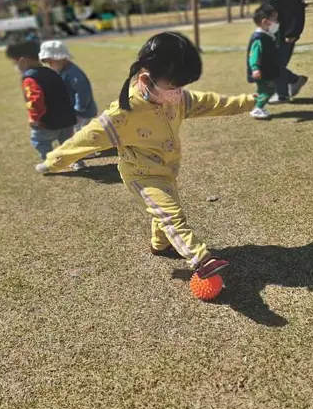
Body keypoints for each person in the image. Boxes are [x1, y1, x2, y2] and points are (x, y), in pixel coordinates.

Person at [35, 32, 256, 280]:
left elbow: (212, 103)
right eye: (173, 87)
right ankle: (201, 259)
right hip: (141, 175)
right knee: (172, 214)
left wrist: (249, 102)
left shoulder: (176, 99)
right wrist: (52, 162)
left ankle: (159, 245)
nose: (178, 93)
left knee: (164, 211)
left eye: (181, 87)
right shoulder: (124, 113)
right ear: (145, 78)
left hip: (168, 169)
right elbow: (85, 139)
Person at [5, 41, 77, 160]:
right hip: (67, 119)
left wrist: (34, 117)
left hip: (48, 122)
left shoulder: (30, 78)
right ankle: (77, 162)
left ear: (23, 61)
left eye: (14, 63)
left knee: (40, 141)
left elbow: (35, 99)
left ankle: (48, 163)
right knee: (68, 143)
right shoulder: (52, 72)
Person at [39, 40, 99, 170]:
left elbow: (83, 93)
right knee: (82, 131)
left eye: (50, 61)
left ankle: (81, 154)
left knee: (79, 133)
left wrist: (78, 110)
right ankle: (89, 150)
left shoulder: (73, 73)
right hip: (74, 110)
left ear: (60, 58)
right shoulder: (62, 70)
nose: (49, 65)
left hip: (81, 111)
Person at [267, 0, 308, 103]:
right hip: (273, 30)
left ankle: (282, 94)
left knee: (275, 64)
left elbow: (295, 9)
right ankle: (294, 80)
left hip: (286, 31)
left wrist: (293, 32)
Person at [247, 4, 280, 120]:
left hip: (266, 70)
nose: (277, 22)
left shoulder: (267, 35)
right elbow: (254, 55)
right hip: (261, 71)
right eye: (275, 19)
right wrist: (255, 68)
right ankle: (257, 109)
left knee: (263, 90)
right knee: (268, 90)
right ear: (265, 22)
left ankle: (257, 105)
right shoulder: (259, 38)